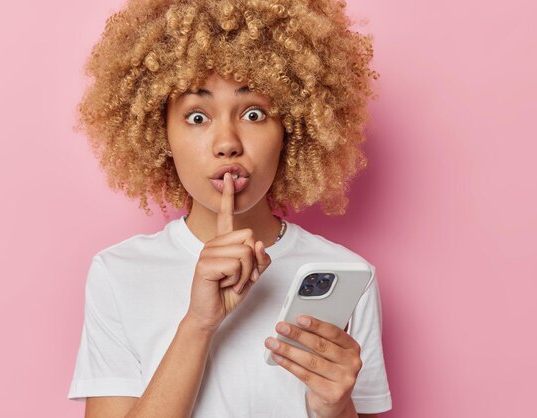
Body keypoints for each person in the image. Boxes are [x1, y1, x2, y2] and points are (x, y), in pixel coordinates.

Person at [67, 0, 391, 417]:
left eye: (254, 113)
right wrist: (198, 324)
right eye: (197, 117)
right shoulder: (119, 273)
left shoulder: (347, 276)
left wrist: (335, 406)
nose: (227, 142)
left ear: (292, 128)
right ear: (159, 131)